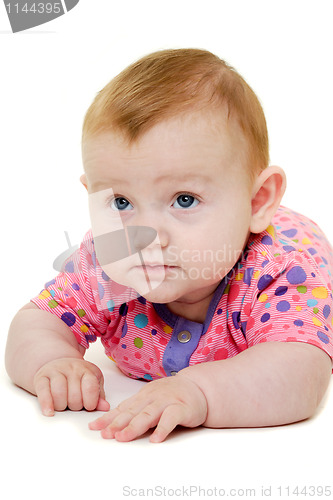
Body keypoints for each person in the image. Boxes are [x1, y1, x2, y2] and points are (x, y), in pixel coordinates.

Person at [5, 48, 333, 443]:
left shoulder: (278, 274)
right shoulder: (105, 264)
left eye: (184, 199)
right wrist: (52, 360)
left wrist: (201, 392)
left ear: (257, 201)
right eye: (121, 202)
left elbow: (301, 372)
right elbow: (37, 319)